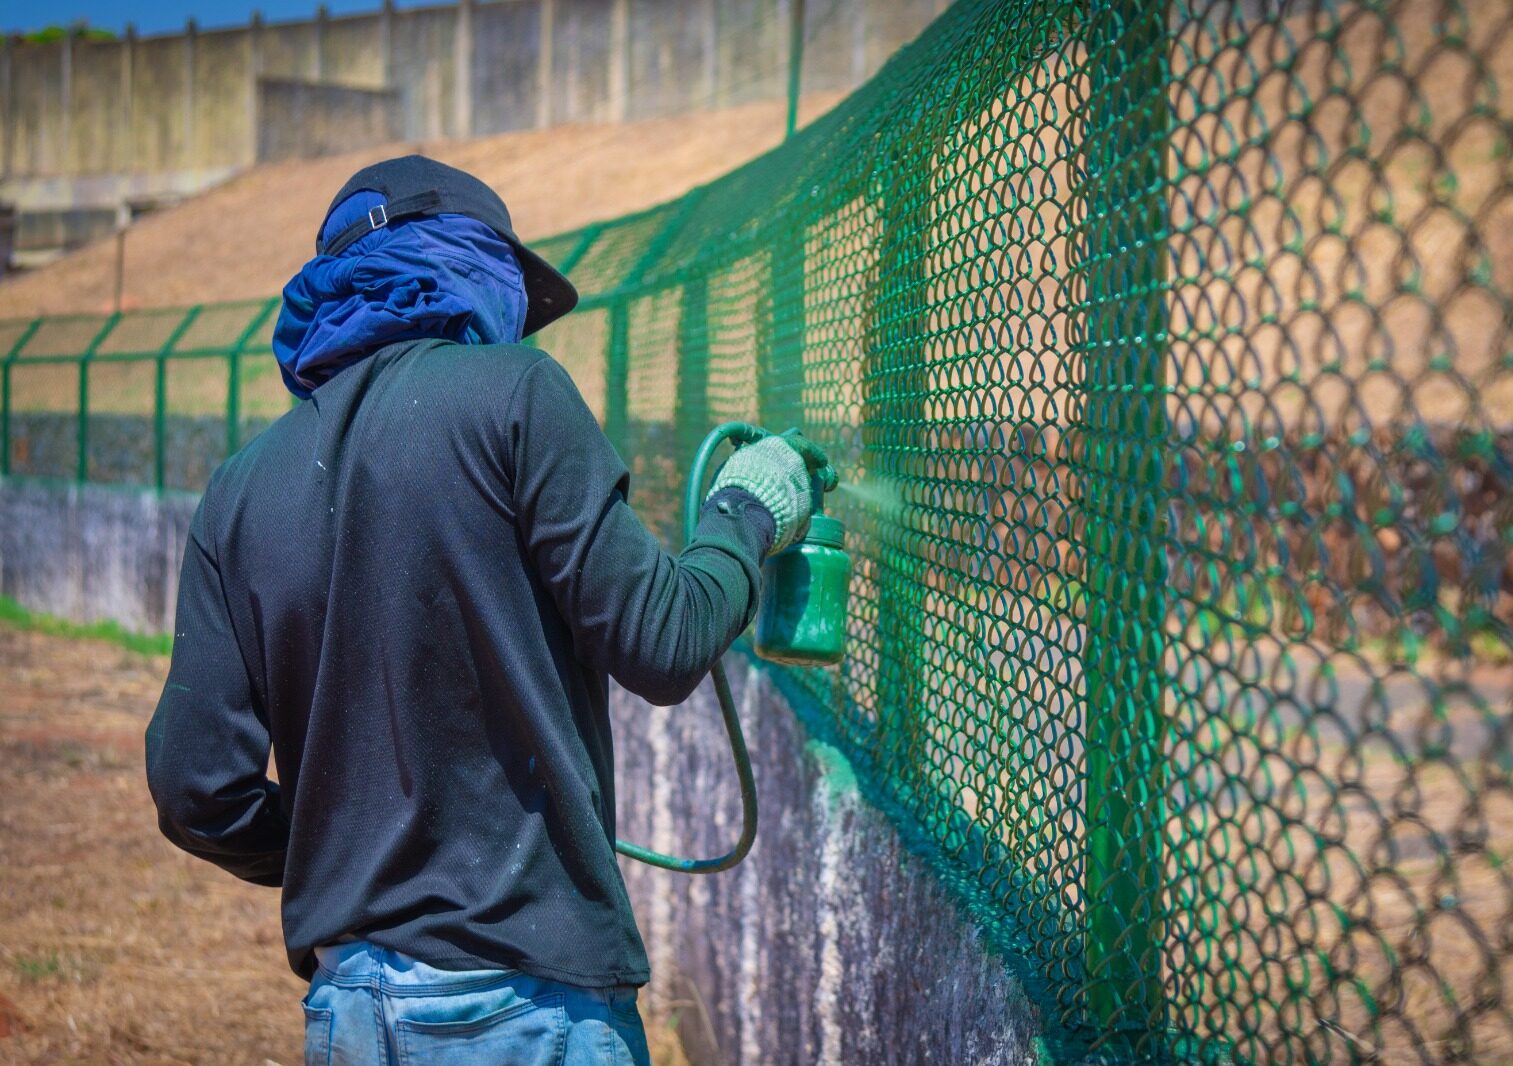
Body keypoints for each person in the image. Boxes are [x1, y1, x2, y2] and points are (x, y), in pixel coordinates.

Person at [144, 155, 829, 1065]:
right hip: (528, 1004)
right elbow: (664, 641)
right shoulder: (516, 393)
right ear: (465, 262)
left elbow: (197, 789)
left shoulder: (237, 491)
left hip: (351, 1009)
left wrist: (346, 867)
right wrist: (746, 513)